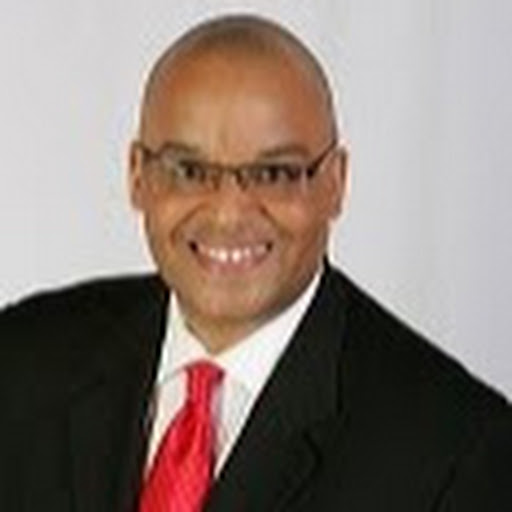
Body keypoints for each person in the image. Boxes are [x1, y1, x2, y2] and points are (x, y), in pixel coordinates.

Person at [1, 14, 511, 512]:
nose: (228, 214)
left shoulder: (456, 454)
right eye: (189, 170)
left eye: (274, 174)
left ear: (336, 183)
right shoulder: (22, 360)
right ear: (137, 176)